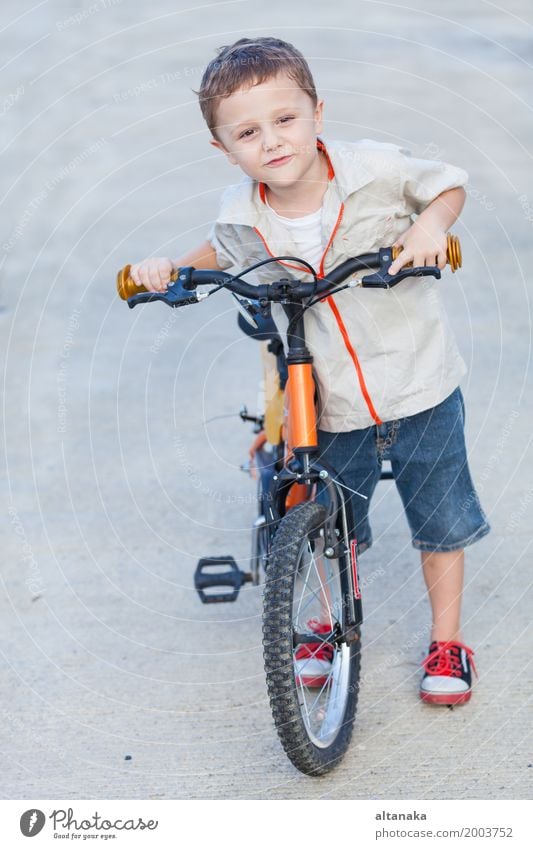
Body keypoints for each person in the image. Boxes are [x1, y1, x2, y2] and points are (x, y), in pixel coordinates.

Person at [129, 37, 490, 705]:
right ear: (223, 148)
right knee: (327, 518)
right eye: (247, 131)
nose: (270, 141)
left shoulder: (374, 169)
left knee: (440, 520)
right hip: (327, 403)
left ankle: (446, 637)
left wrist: (430, 227)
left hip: (418, 383)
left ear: (317, 113)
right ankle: (325, 623)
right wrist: (169, 271)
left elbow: (446, 185)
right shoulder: (241, 211)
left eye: (285, 119)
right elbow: (220, 248)